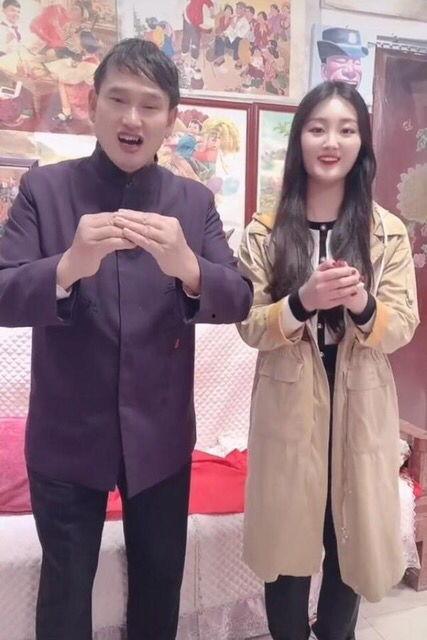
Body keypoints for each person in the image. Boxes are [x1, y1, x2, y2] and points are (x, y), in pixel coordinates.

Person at [0, 38, 252, 640]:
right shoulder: (44, 190)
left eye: (150, 105)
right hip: (66, 438)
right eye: (118, 100)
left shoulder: (193, 202)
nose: (132, 118)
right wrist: (68, 265)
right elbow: (4, 292)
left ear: (171, 119)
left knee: (160, 586)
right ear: (92, 104)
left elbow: (240, 298)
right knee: (65, 591)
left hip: (161, 436)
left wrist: (189, 267)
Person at [237, 80, 419, 640]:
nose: (331, 142)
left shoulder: (385, 231)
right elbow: (249, 324)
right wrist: (302, 302)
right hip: (288, 399)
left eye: (346, 129)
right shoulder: (265, 231)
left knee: (351, 539)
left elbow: (402, 325)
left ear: (362, 143)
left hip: (360, 398)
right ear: (300, 139)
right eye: (317, 128)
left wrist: (361, 303)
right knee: (286, 540)